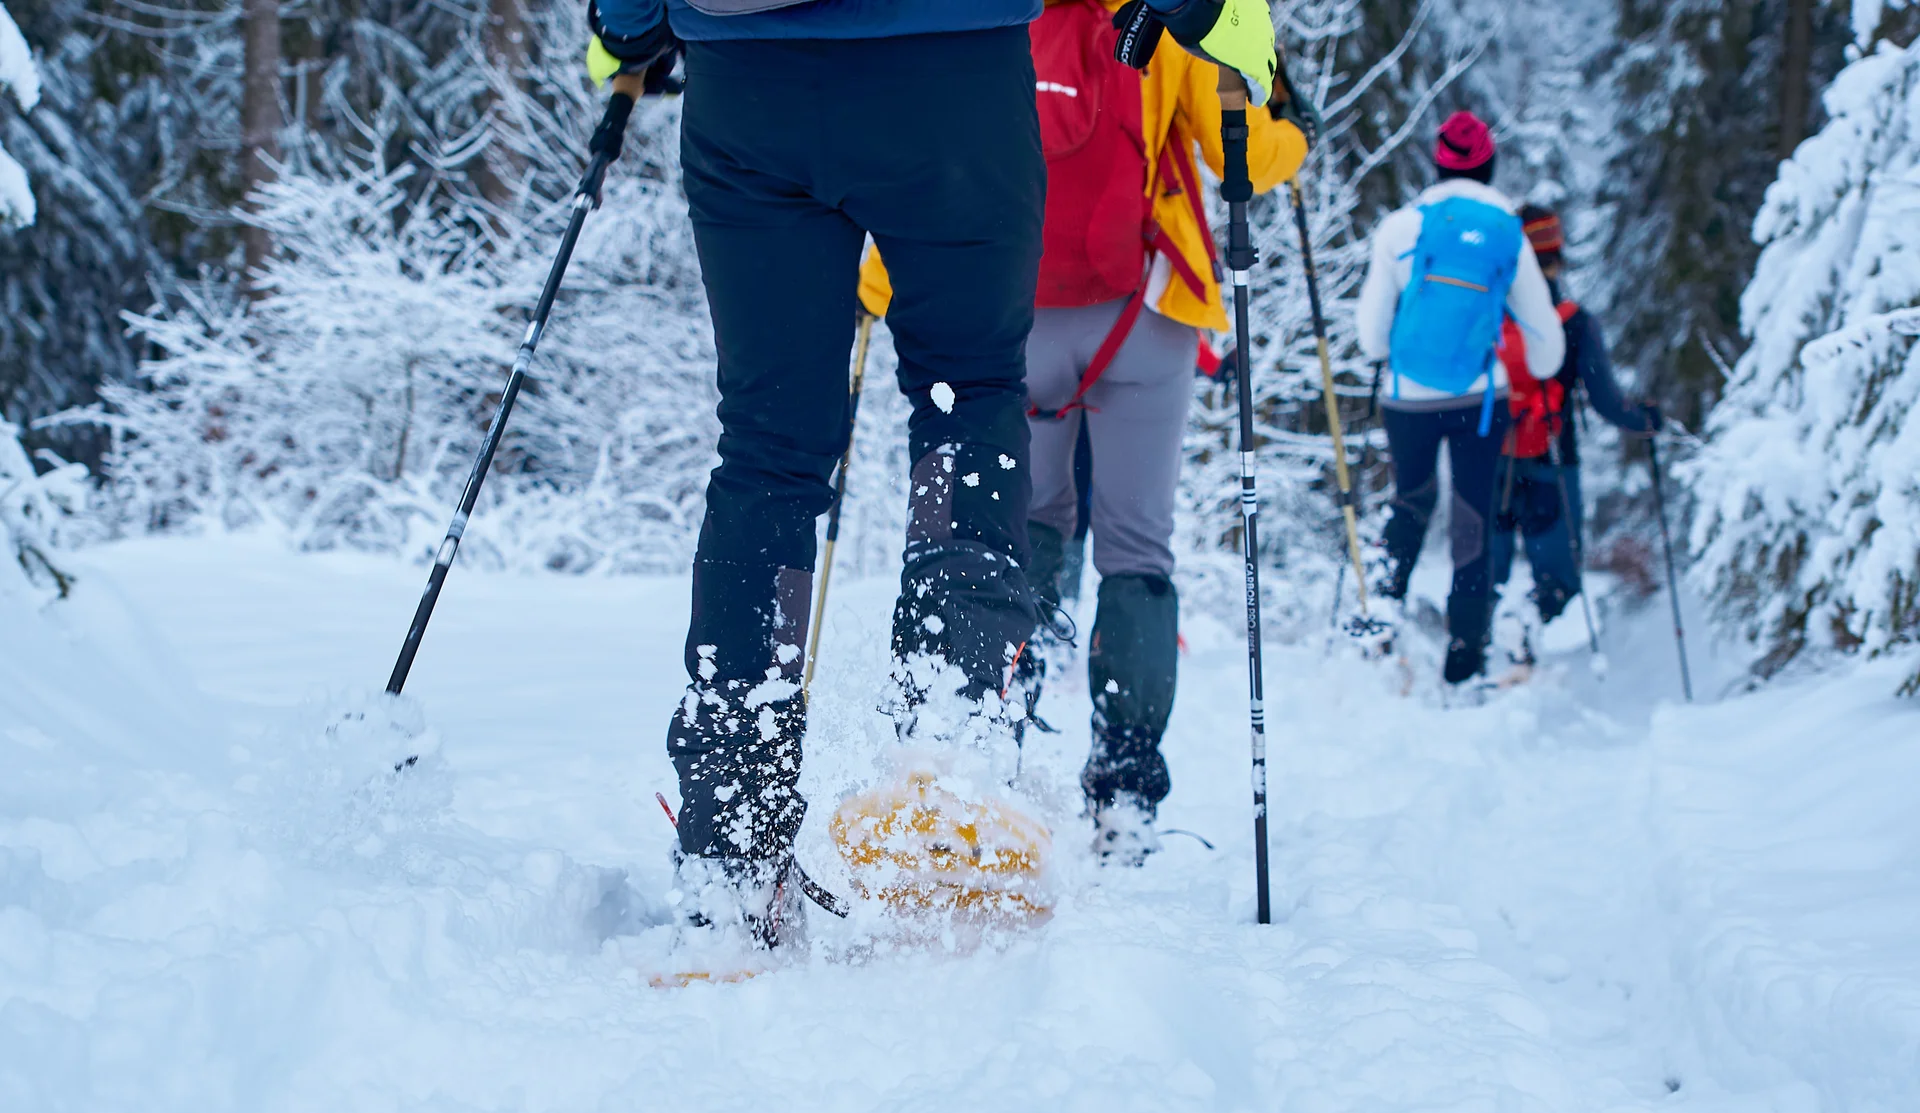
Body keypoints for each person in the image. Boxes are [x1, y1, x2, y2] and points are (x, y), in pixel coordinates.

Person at [584, 0, 1285, 944]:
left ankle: (731, 842)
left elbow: (627, 18)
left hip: (749, 89)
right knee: (965, 395)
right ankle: (940, 748)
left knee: (765, 450)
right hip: (953, 79)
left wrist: (628, 31)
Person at [858, 0, 1306, 863]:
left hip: (1012, 315)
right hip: (1141, 318)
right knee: (1138, 551)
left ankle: (997, 760)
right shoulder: (1175, 16)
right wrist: (1294, 127)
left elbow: (930, 150)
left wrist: (880, 281)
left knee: (1028, 529)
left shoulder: (994, 17)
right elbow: (1236, 149)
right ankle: (1126, 794)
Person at [1353, 111, 1566, 684]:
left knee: (1411, 501)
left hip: (1407, 397)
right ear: (1490, 165)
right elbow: (1545, 341)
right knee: (1473, 515)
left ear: (1436, 161)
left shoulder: (1400, 229)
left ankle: (1381, 629)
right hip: (1480, 400)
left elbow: (1371, 336)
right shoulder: (1505, 231)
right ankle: (1464, 657)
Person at [1489, 206, 1655, 629]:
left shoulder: (1485, 318)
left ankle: (1484, 664)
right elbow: (1606, 403)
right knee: (1558, 582)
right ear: (1556, 257)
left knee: (1486, 579)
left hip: (1489, 460)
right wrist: (1646, 419)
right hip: (1554, 461)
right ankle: (1553, 672)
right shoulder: (1575, 323)